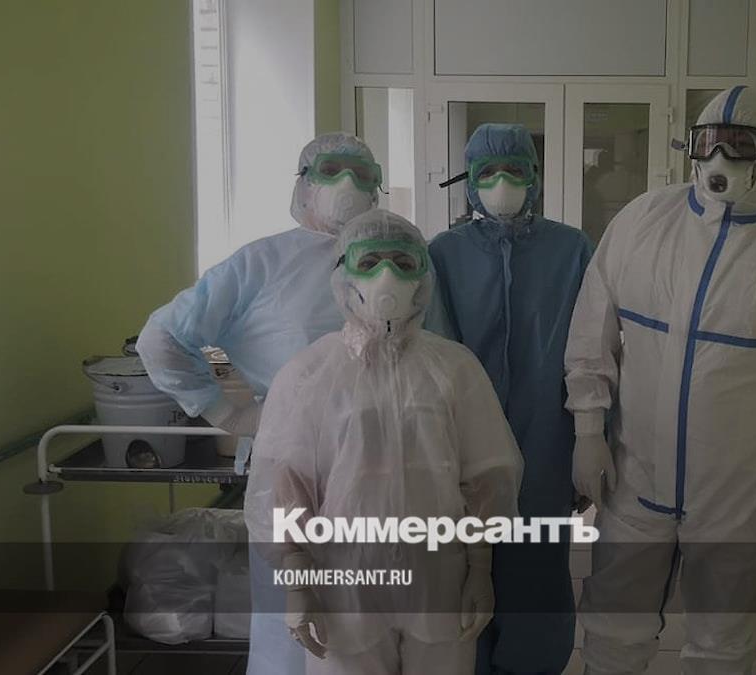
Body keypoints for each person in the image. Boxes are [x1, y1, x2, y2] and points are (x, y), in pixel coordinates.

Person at [564, 86, 756, 674]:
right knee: (613, 620)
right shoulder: (642, 221)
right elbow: (592, 330)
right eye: (709, 142)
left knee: (721, 638)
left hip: (741, 493)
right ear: (691, 149)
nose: (721, 157)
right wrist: (587, 429)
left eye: (740, 143)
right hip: (636, 476)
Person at [136, 133, 382, 675]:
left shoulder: (396, 255)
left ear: (377, 189)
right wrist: (230, 412)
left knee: (375, 625)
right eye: (332, 170)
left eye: (363, 174)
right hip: (290, 468)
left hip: (384, 467)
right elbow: (164, 338)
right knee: (291, 631)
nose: (348, 184)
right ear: (303, 183)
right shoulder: (262, 263)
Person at [245, 209, 524, 675]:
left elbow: (487, 476)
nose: (387, 275)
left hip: (439, 578)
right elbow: (287, 490)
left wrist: (480, 568)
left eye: (403, 261)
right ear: (343, 274)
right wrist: (298, 583)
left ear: (423, 277)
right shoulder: (309, 374)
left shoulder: (455, 368)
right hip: (342, 583)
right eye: (370, 261)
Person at [425, 123, 593, 675]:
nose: (502, 182)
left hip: (547, 438)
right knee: (462, 566)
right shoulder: (442, 253)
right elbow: (433, 352)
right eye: (488, 172)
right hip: (462, 439)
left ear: (535, 177)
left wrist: (592, 441)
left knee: (536, 567)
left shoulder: (572, 250)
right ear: (469, 180)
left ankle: (533, 664)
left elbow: (594, 350)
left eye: (515, 170)